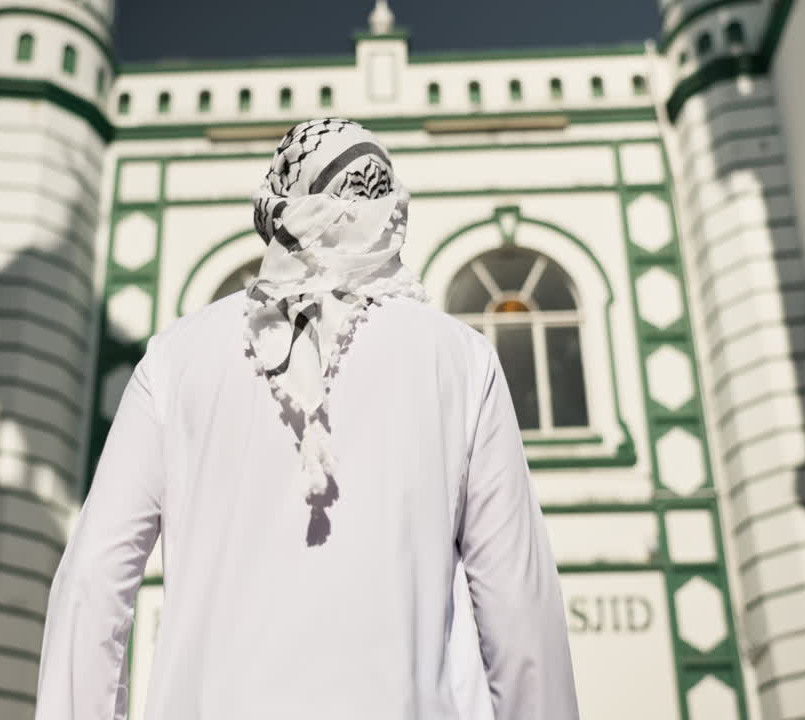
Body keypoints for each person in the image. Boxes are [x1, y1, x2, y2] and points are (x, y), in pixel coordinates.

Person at [35, 118, 580, 719]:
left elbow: (91, 585)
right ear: (389, 208)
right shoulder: (462, 360)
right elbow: (520, 612)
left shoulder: (177, 359)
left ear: (280, 203)